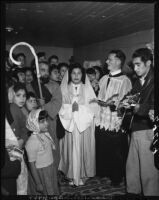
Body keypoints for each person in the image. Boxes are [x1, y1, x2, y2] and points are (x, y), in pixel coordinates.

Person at [95, 50, 132, 186]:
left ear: (118, 61)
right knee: (104, 147)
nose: (106, 61)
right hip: (102, 119)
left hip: (115, 121)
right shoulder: (104, 78)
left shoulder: (125, 81)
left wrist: (117, 105)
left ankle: (116, 177)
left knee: (116, 151)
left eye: (109, 59)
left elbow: (126, 104)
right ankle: (105, 172)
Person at [58, 63, 98, 186]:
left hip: (84, 124)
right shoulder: (64, 88)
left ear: (82, 74)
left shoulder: (87, 88)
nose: (76, 76)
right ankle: (71, 174)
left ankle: (83, 174)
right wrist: (70, 108)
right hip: (70, 124)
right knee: (71, 148)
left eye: (79, 73)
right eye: (73, 73)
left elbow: (94, 106)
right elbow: (60, 106)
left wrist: (80, 109)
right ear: (70, 74)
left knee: (84, 148)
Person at [126, 48, 159, 196]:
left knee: (148, 171)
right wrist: (125, 101)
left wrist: (139, 107)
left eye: (138, 65)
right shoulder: (139, 80)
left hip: (148, 129)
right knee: (132, 167)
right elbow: (132, 96)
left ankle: (151, 195)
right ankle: (132, 193)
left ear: (149, 63)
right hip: (136, 128)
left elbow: (153, 107)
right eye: (134, 65)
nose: (135, 68)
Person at [25, 109, 59, 195]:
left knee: (52, 189)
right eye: (42, 121)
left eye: (46, 120)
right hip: (42, 173)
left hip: (49, 168)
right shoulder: (31, 142)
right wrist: (38, 183)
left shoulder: (44, 134)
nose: (46, 123)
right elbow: (31, 165)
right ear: (34, 123)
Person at [9, 83, 28, 149]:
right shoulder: (13, 108)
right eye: (18, 95)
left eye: (24, 96)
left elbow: (24, 129)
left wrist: (22, 139)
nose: (22, 98)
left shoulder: (23, 109)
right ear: (12, 95)